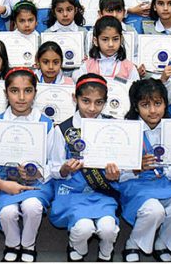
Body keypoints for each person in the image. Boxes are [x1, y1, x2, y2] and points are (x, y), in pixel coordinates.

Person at [118, 78, 171, 262]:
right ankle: (132, 244)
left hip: (165, 182)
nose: (153, 111)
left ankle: (162, 243)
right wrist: (136, 168)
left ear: (165, 104)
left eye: (158, 103)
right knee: (154, 210)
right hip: (135, 183)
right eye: (145, 105)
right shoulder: (125, 130)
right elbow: (119, 175)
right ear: (136, 107)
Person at [49, 73, 121, 262]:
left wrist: (116, 174)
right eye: (85, 101)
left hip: (103, 191)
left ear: (106, 102)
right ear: (75, 98)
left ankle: (106, 252)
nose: (91, 108)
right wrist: (65, 169)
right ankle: (76, 247)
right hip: (73, 192)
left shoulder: (113, 127)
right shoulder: (62, 129)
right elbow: (53, 167)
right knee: (83, 228)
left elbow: (125, 166)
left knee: (107, 228)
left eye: (98, 103)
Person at [0, 67, 55, 263]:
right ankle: (12, 244)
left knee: (32, 206)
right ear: (5, 93)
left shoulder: (46, 123)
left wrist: (38, 173)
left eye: (28, 90)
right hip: (7, 184)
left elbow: (53, 161)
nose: (21, 97)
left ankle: (28, 245)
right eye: (14, 91)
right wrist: (0, 183)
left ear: (35, 92)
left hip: (38, 184)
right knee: (8, 212)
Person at [72, 15, 139, 83]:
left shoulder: (129, 67)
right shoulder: (87, 66)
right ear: (95, 41)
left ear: (121, 39)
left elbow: (135, 89)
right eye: (105, 39)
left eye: (115, 39)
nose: (111, 44)